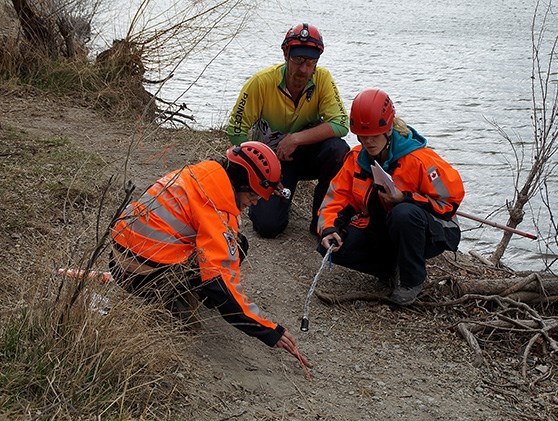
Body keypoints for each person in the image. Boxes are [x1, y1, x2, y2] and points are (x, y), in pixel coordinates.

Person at [110, 141, 310, 367]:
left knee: (237, 242)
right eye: (254, 196)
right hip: (142, 277)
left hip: (119, 261)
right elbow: (221, 283)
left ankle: (185, 294)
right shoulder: (215, 210)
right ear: (243, 184)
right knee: (232, 252)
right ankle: (173, 302)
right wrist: (269, 331)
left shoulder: (201, 174)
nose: (255, 202)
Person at [316, 88, 465, 306]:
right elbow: (334, 199)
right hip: (381, 227)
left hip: (432, 229)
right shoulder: (356, 159)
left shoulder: (421, 161)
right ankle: (389, 269)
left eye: (374, 136)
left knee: (403, 213)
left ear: (388, 130)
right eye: (363, 137)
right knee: (328, 246)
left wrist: (404, 197)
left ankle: (412, 278)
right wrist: (329, 229)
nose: (368, 142)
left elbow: (449, 203)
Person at [226, 23, 350, 238]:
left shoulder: (323, 79)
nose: (304, 69)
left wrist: (295, 138)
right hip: (271, 160)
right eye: (298, 60)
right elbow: (236, 129)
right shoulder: (261, 82)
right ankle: (270, 201)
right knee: (268, 227)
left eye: (310, 62)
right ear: (285, 54)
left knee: (338, 149)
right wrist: (254, 174)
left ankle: (321, 219)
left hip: (307, 154)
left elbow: (341, 123)